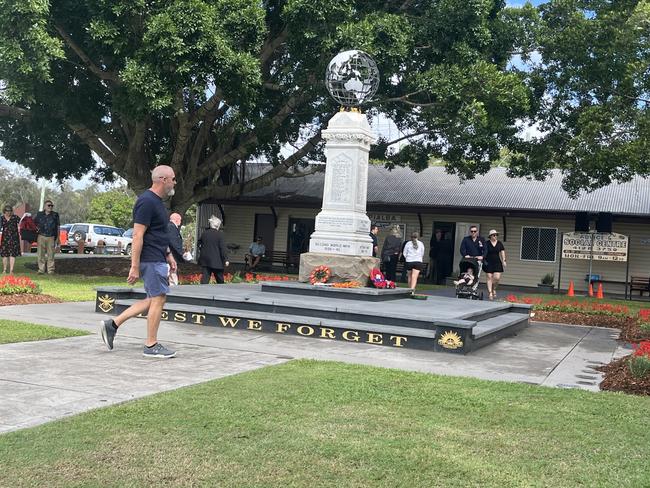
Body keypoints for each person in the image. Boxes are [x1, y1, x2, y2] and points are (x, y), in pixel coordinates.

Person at [100, 165, 178, 359]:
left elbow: (158, 233)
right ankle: (151, 345)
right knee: (159, 299)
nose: (175, 182)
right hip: (150, 260)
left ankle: (113, 324)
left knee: (153, 299)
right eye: (173, 179)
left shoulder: (158, 203)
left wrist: (168, 254)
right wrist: (134, 266)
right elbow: (137, 235)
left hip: (158, 257)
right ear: (162, 179)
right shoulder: (147, 202)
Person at [197, 215, 229, 284]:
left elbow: (199, 244)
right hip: (216, 260)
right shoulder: (220, 235)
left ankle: (201, 292)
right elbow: (222, 248)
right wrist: (226, 259)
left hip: (205, 260)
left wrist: (203, 250)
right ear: (218, 226)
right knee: (220, 279)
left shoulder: (204, 233)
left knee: (205, 278)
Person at [34, 200, 60, 274]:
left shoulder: (55, 215)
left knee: (51, 254)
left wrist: (58, 237)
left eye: (52, 206)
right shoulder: (39, 214)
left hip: (51, 237)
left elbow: (58, 226)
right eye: (49, 205)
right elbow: (34, 223)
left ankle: (50, 270)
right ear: (45, 206)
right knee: (40, 254)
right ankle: (41, 270)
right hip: (41, 236)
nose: (50, 207)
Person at [484, 229, 506, 300]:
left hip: (497, 262)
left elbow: (502, 252)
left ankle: (494, 289)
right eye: (494, 235)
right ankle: (490, 292)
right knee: (489, 277)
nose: (495, 236)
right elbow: (483, 252)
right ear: (490, 236)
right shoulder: (486, 243)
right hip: (488, 262)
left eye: (496, 235)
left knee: (497, 278)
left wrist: (504, 260)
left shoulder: (499, 243)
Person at [167, 212, 186, 286]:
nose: (181, 222)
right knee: (172, 272)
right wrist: (181, 253)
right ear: (177, 219)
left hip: (171, 254)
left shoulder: (171, 227)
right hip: (172, 255)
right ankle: (174, 289)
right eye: (180, 220)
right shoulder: (171, 227)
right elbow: (173, 242)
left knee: (171, 272)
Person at [1, 205, 21, 274]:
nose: (8, 212)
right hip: (5, 239)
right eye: (7, 210)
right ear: (4, 211)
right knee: (4, 254)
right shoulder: (2, 218)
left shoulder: (15, 217)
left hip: (14, 238)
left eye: (10, 210)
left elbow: (22, 222)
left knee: (12, 254)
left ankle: (11, 270)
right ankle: (4, 269)